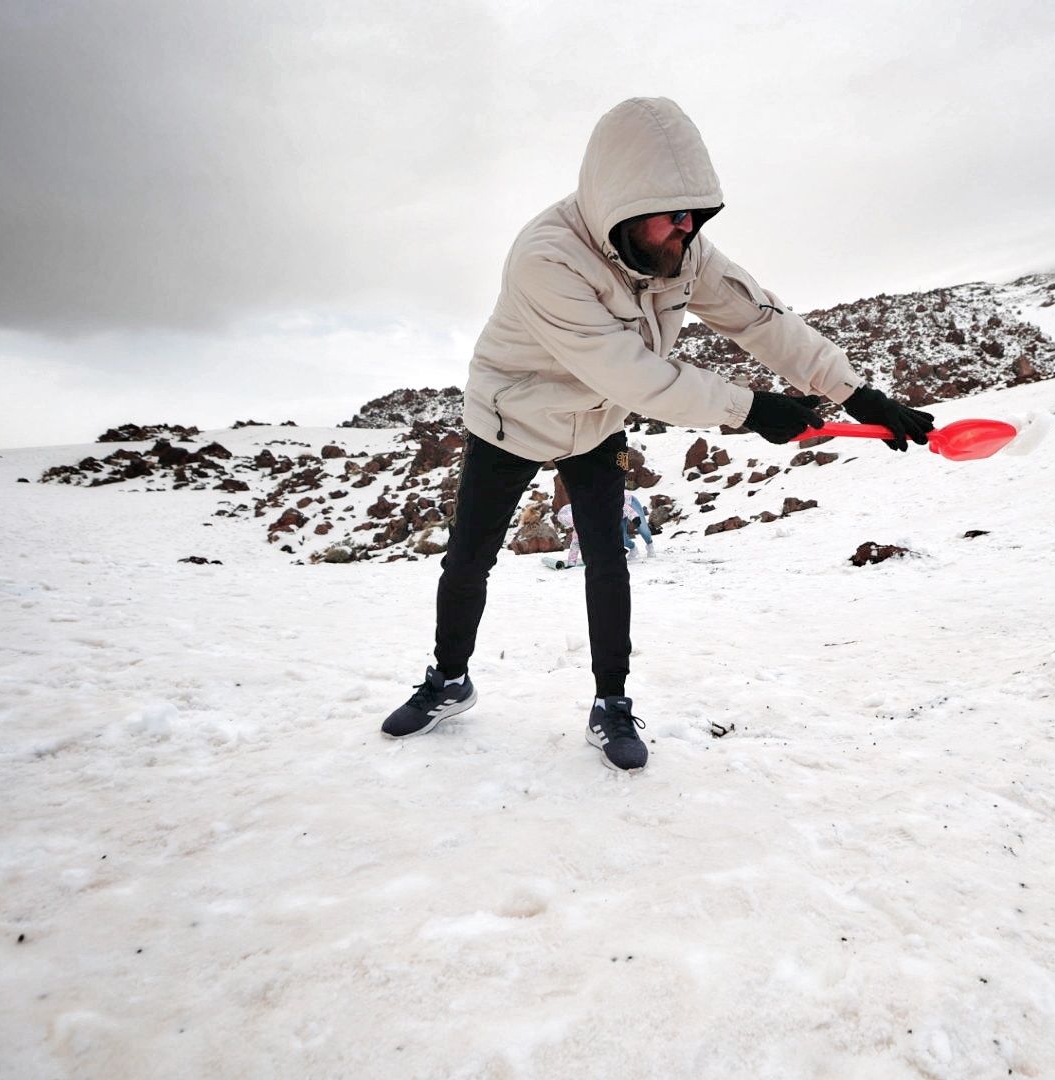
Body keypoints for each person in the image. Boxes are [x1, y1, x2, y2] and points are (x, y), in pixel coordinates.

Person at [380, 97, 935, 770]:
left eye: (695, 216)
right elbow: (633, 374)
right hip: (513, 417)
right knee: (470, 557)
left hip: (596, 423)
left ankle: (611, 702)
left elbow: (761, 319)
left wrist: (854, 389)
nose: (687, 231)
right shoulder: (546, 259)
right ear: (621, 204)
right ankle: (449, 678)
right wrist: (751, 409)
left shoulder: (679, 248)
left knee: (608, 557)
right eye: (674, 216)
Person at [621, 491, 653, 557]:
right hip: (618, 513)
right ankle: (633, 548)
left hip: (629, 501)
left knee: (642, 528)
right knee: (621, 538)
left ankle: (650, 546)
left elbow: (623, 505)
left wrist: (634, 517)